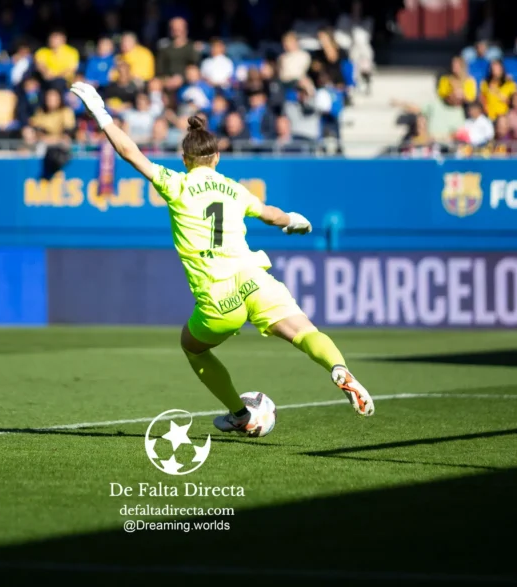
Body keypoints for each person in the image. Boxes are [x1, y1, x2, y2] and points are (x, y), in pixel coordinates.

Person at [68, 81, 375, 434]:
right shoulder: (234, 188)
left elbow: (130, 152)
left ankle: (239, 414)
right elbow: (271, 214)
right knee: (306, 333)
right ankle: (338, 368)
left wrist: (102, 114)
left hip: (218, 297)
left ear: (185, 160)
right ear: (216, 157)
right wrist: (294, 221)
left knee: (193, 348)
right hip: (255, 280)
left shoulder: (176, 184)